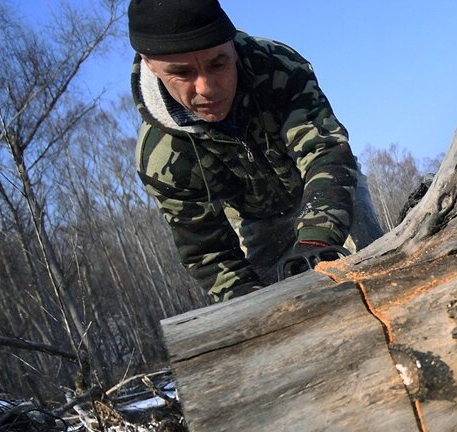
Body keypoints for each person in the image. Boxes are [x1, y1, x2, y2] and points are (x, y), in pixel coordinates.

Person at [128, 0, 384, 304]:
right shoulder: (161, 157)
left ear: (232, 46)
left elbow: (326, 153)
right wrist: (255, 310)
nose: (206, 87)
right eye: (182, 73)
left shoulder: (279, 67)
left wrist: (316, 242)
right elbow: (209, 253)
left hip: (328, 186)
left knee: (380, 269)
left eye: (218, 64)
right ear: (149, 64)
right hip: (256, 220)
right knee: (274, 306)